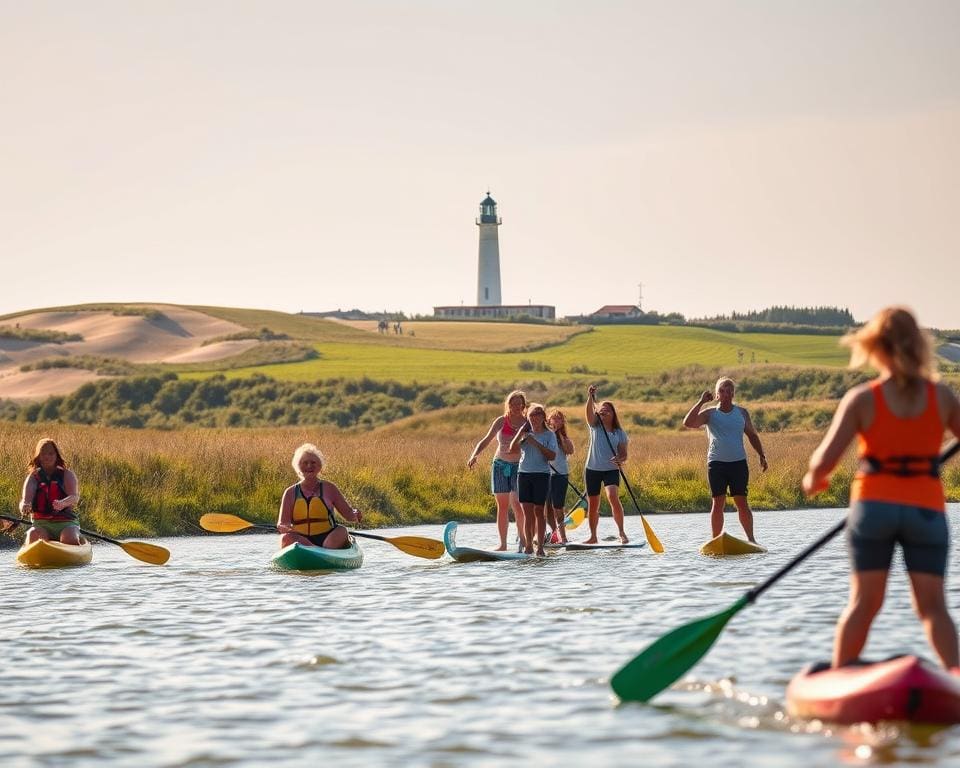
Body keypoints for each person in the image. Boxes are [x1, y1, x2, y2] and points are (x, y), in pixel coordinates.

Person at [802, 307, 960, 669]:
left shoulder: (862, 399)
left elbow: (823, 462)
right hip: (926, 511)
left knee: (864, 602)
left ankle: (841, 678)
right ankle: (956, 679)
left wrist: (815, 480)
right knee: (934, 607)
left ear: (875, 347)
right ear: (919, 346)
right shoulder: (943, 398)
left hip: (874, 509)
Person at [682, 377, 768, 543]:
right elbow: (688, 423)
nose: (726, 393)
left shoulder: (742, 413)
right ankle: (715, 540)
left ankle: (751, 539)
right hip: (716, 464)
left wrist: (762, 455)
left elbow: (752, 435)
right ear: (716, 394)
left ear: (733, 394)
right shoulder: (710, 414)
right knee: (718, 502)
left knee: (741, 502)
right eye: (722, 390)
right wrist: (701, 402)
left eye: (729, 391)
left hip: (738, 464)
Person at [467, 390, 528, 550]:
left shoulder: (527, 422)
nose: (515, 407)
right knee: (502, 506)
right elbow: (486, 440)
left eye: (518, 404)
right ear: (508, 405)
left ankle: (524, 540)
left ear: (523, 405)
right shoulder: (501, 421)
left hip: (519, 467)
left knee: (517, 504)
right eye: (512, 404)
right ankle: (503, 544)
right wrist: (474, 455)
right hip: (500, 465)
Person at [277, 443, 362, 549]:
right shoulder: (290, 492)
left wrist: (355, 514)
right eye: (305, 463)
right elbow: (282, 523)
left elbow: (348, 515)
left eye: (313, 462)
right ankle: (315, 550)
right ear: (298, 466)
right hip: (301, 540)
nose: (309, 466)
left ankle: (322, 551)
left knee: (342, 530)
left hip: (328, 538)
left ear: (319, 466)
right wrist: (283, 527)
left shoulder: (330, 488)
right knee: (286, 538)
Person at [4, 438, 82, 545]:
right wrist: (24, 506)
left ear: (56, 456)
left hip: (66, 523)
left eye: (51, 454)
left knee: (69, 538)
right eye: (43, 454)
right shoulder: (33, 477)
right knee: (33, 536)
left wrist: (63, 503)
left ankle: (72, 545)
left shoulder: (67, 474)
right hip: (41, 523)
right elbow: (25, 500)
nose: (47, 457)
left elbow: (74, 497)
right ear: (39, 457)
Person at [509, 403, 558, 555]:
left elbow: (552, 456)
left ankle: (541, 547)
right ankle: (529, 545)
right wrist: (521, 433)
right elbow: (512, 449)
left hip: (541, 475)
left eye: (538, 414)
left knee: (539, 511)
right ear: (528, 418)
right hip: (524, 474)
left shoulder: (549, 435)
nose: (534, 418)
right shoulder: (524, 433)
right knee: (527, 512)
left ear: (543, 417)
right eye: (531, 415)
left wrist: (535, 443)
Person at [584, 384, 629, 544]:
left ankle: (622, 533)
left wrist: (620, 458)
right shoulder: (595, 426)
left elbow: (624, 454)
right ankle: (593, 536)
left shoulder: (619, 433)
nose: (603, 413)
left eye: (606, 411)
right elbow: (589, 414)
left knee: (612, 496)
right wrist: (590, 397)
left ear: (612, 415)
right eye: (601, 411)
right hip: (592, 469)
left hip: (611, 470)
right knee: (593, 504)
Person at [545, 408, 575, 544]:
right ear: (548, 421)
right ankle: (554, 533)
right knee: (547, 507)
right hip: (545, 475)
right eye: (553, 419)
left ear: (563, 422)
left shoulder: (565, 439)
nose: (556, 421)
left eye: (559, 419)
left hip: (560, 475)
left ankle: (563, 537)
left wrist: (560, 436)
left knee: (558, 507)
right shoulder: (545, 436)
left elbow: (570, 450)